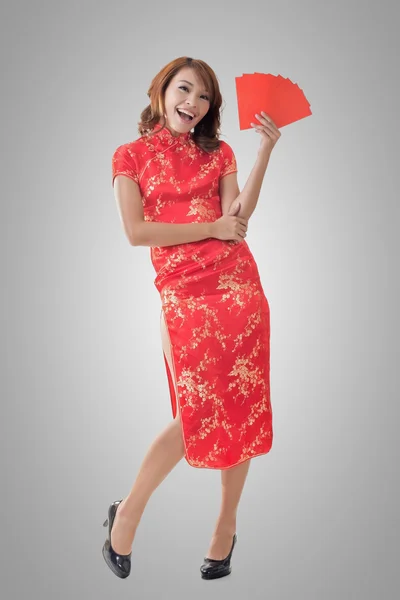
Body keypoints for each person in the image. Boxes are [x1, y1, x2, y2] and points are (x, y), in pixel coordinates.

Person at [103, 56, 281, 581]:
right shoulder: (129, 156)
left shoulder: (220, 152)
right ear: (162, 91)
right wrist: (211, 229)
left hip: (239, 288)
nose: (193, 104)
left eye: (204, 97)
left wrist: (265, 150)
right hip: (183, 294)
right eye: (185, 90)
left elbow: (237, 220)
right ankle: (128, 512)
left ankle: (224, 529)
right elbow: (137, 232)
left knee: (242, 404)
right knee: (198, 411)